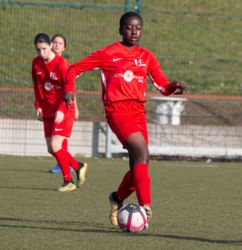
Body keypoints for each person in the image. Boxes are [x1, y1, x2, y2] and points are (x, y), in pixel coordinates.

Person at [64, 12, 186, 227]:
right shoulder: (107, 54)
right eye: (129, 27)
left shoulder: (146, 56)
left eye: (138, 28)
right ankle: (145, 207)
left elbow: (162, 86)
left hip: (138, 112)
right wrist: (69, 89)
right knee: (141, 153)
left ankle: (117, 198)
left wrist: (171, 88)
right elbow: (73, 69)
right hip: (117, 111)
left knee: (140, 163)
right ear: (120, 29)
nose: (134, 31)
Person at [31, 33, 88, 192]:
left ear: (50, 46)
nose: (41, 53)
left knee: (56, 145)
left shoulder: (62, 63)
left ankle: (68, 181)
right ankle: (78, 166)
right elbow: (37, 87)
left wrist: (63, 109)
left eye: (44, 49)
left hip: (63, 109)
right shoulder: (36, 63)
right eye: (38, 50)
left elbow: (70, 88)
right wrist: (38, 107)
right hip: (48, 110)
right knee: (51, 148)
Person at [48, 34, 79, 174]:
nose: (56, 45)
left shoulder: (63, 64)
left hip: (63, 106)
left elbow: (70, 88)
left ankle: (66, 165)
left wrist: (75, 107)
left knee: (58, 139)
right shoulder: (45, 64)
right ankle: (65, 164)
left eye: (60, 43)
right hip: (51, 106)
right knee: (54, 142)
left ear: (64, 48)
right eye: (54, 42)